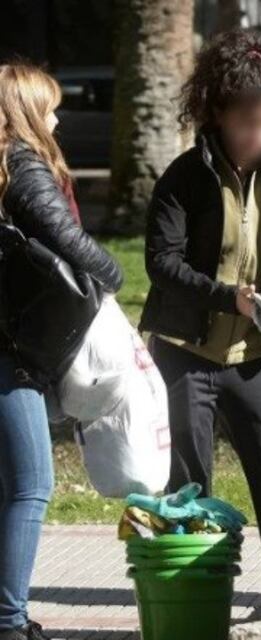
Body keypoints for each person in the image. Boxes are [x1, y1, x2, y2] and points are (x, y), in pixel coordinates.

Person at [138, 29, 261, 590]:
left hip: (256, 353)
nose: (258, 134)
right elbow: (161, 263)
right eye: (246, 122)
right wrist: (226, 296)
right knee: (187, 485)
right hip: (187, 352)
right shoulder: (185, 178)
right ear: (219, 114)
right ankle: (196, 595)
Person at [0, 64, 123, 640]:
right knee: (32, 484)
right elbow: (62, 235)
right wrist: (112, 272)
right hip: (10, 348)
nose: (58, 116)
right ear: (25, 110)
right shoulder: (22, 164)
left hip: (12, 341)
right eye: (48, 105)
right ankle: (8, 620)